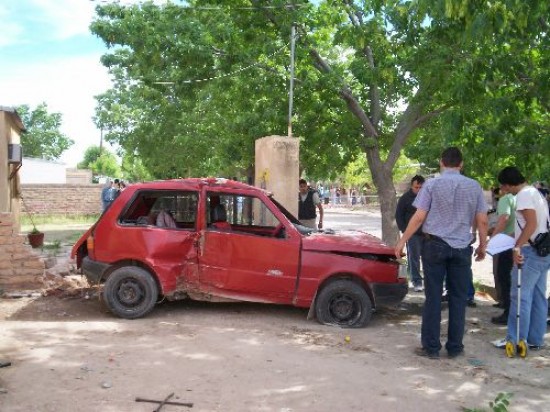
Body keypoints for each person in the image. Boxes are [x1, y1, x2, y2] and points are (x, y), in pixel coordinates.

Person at [395, 147, 488, 359]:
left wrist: (402, 241)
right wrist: (483, 245)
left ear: (441, 162)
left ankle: (431, 348)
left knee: (433, 297)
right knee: (458, 298)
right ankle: (455, 347)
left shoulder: (431, 185)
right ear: (461, 164)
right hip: (462, 248)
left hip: (434, 246)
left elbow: (418, 217)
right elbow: (482, 220)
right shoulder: (474, 186)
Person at [497, 167, 550, 352]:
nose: (504, 191)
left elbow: (531, 223)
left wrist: (517, 246)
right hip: (542, 251)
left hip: (530, 252)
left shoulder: (524, 196)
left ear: (508, 184)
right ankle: (535, 338)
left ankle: (516, 338)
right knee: (538, 296)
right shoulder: (536, 193)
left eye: (504, 187)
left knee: (520, 296)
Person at [490, 185, 516, 325]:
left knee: (503, 276)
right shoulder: (521, 198)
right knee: (514, 278)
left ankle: (508, 311)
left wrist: (493, 237)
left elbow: (503, 219)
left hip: (507, 242)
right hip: (520, 241)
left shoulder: (506, 199)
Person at [395, 175, 426, 292]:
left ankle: (429, 281)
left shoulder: (428, 197)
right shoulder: (405, 198)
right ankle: (417, 281)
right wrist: (405, 231)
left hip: (428, 234)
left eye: (420, 188)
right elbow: (398, 215)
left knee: (428, 258)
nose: (418, 190)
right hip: (412, 235)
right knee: (414, 258)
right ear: (412, 186)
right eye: (416, 187)